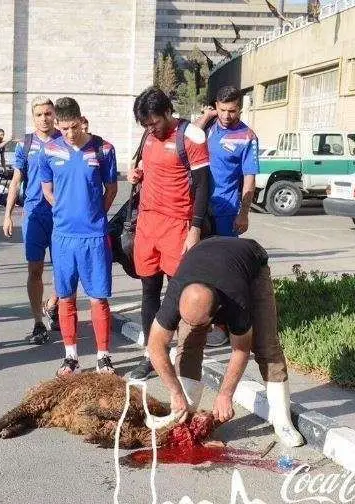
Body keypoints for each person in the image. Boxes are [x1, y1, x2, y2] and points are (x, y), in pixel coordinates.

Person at [145, 236, 305, 448]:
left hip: (249, 262)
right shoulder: (177, 293)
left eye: (202, 324)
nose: (195, 326)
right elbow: (155, 346)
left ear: (216, 316)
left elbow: (241, 350)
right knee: (188, 341)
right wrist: (175, 392)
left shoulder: (236, 300)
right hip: (202, 256)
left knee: (266, 345)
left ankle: (282, 421)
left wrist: (225, 394)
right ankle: (185, 410)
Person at [127, 86, 210, 380]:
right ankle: (151, 354)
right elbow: (142, 169)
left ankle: (182, 355)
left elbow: (203, 186)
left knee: (179, 294)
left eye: (155, 122)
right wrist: (135, 174)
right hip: (148, 224)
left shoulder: (191, 137)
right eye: (146, 124)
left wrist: (195, 228)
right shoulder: (147, 136)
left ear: (167, 112)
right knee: (149, 291)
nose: (151, 128)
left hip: (178, 225)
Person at [40, 97, 118, 376]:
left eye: (74, 127)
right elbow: (47, 189)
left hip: (94, 237)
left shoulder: (104, 149)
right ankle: (71, 356)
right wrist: (63, 211)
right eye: (63, 129)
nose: (70, 134)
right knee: (65, 298)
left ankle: (103, 356)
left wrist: (94, 215)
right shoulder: (48, 150)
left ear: (81, 120)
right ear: (57, 125)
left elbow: (111, 189)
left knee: (98, 298)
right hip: (62, 237)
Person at [2, 96, 62, 344]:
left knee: (65, 269)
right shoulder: (25, 144)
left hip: (60, 214)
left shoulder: (64, 140)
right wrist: (7, 214)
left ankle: (53, 304)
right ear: (33, 117)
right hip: (34, 213)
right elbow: (16, 181)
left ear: (54, 114)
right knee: (35, 269)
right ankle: (38, 321)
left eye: (48, 113)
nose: (44, 118)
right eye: (39, 114)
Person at [195, 86, 259, 238]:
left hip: (225, 210)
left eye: (232, 111)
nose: (226, 116)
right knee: (196, 256)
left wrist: (243, 214)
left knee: (223, 257)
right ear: (216, 105)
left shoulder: (247, 137)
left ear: (239, 109)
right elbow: (188, 137)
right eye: (222, 110)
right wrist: (206, 116)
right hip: (198, 206)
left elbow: (249, 180)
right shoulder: (208, 126)